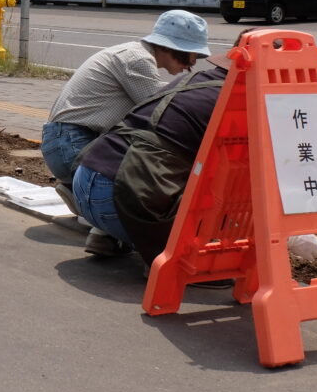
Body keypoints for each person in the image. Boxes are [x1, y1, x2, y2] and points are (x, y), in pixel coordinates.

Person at [41, 9, 210, 255]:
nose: (190, 67)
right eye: (190, 58)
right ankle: (84, 198)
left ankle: (98, 226)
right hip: (73, 142)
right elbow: (163, 108)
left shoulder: (131, 53)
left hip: (64, 141)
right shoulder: (137, 60)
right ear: (173, 48)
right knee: (139, 181)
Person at [71, 39, 250, 271]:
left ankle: (109, 234)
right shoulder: (237, 100)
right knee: (216, 227)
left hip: (84, 181)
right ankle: (166, 259)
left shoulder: (196, 80)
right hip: (118, 197)